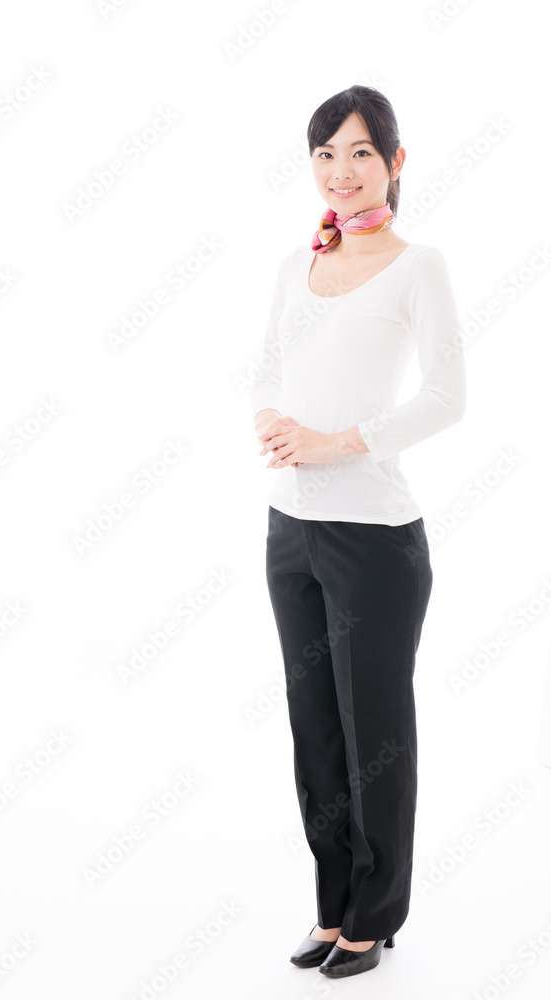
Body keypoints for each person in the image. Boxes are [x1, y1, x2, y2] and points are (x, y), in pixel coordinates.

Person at [250, 85, 467, 979]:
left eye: (359, 153)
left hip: (372, 537)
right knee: (315, 729)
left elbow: (447, 397)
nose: (340, 171)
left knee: (371, 730)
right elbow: (268, 369)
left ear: (394, 161)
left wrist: (336, 441)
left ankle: (374, 918)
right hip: (290, 531)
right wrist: (271, 422)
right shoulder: (294, 265)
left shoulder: (420, 267)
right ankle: (333, 903)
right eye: (324, 154)